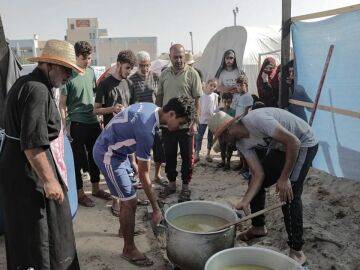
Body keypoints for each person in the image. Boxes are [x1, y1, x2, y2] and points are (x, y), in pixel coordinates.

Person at [0, 39, 80, 269]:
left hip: (16, 166)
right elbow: (32, 144)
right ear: (49, 65)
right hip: (28, 171)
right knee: (39, 234)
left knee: (23, 232)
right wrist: (50, 180)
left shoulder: (27, 83)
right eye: (66, 70)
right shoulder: (37, 90)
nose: (69, 76)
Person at [93, 96, 197, 267]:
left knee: (129, 194)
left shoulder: (149, 107)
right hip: (108, 155)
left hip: (120, 152)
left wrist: (132, 159)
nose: (179, 127)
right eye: (181, 122)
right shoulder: (146, 130)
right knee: (130, 202)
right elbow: (144, 175)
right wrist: (156, 209)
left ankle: (124, 230)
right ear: (171, 114)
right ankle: (129, 248)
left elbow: (128, 130)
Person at [208, 107, 318, 265]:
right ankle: (258, 227)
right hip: (281, 147)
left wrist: (284, 177)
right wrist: (245, 201)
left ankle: (297, 250)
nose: (223, 143)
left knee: (288, 194)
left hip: (303, 143)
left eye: (222, 138)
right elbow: (258, 174)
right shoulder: (241, 143)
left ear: (228, 130)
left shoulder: (258, 120)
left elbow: (294, 142)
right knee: (254, 182)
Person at [60, 41, 111, 207]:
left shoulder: (91, 73)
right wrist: (65, 126)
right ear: (75, 57)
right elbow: (62, 105)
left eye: (89, 58)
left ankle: (96, 188)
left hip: (93, 121)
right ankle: (80, 193)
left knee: (96, 156)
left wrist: (101, 117)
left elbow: (96, 99)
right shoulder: (67, 76)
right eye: (84, 58)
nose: (88, 61)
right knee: (77, 160)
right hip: (77, 123)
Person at [156, 44, 202, 202]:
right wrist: (158, 118)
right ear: (170, 57)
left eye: (181, 56)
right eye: (175, 57)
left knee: (187, 157)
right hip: (168, 125)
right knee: (169, 156)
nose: (179, 60)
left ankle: (185, 186)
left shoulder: (192, 74)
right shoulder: (164, 74)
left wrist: (194, 122)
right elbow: (159, 97)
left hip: (186, 125)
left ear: (185, 57)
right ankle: (172, 184)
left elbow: (197, 101)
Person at [93, 50, 136, 217]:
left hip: (127, 135)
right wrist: (112, 109)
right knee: (113, 168)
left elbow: (133, 109)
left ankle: (126, 198)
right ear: (118, 64)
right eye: (127, 68)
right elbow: (96, 110)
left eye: (131, 69)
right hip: (110, 136)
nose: (128, 72)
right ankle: (115, 201)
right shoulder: (104, 84)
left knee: (127, 169)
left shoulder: (130, 84)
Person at [128, 50, 166, 185]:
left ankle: (157, 175)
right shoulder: (131, 81)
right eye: (142, 65)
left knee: (159, 148)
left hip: (155, 118)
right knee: (142, 150)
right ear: (137, 66)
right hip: (140, 121)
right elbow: (130, 102)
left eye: (147, 65)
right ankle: (142, 176)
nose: (145, 68)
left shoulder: (156, 77)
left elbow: (160, 96)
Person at [231, 73, 253, 172]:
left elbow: (247, 111)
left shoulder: (248, 96)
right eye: (238, 85)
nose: (239, 87)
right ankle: (241, 164)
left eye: (241, 85)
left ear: (246, 85)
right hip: (238, 123)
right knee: (239, 146)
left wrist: (241, 121)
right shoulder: (238, 96)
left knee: (244, 146)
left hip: (244, 124)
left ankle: (245, 166)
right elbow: (236, 109)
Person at [195, 79, 219, 163]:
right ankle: (197, 154)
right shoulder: (201, 95)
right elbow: (198, 107)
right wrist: (197, 118)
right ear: (206, 85)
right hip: (201, 120)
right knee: (199, 137)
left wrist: (216, 117)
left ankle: (208, 154)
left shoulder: (215, 96)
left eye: (214, 86)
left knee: (210, 137)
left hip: (211, 120)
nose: (212, 87)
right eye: (211, 85)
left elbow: (216, 107)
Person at [216, 92, 236, 170]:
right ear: (222, 101)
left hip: (229, 133)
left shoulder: (233, 111)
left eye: (229, 102)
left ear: (231, 101)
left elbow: (234, 122)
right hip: (221, 133)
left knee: (229, 148)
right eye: (225, 102)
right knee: (222, 147)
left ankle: (228, 163)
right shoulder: (219, 111)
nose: (227, 104)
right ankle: (223, 161)